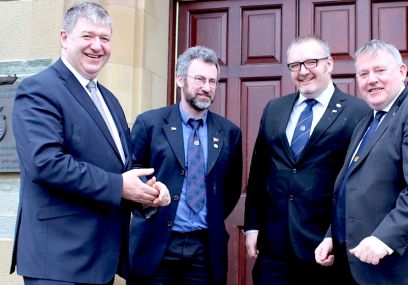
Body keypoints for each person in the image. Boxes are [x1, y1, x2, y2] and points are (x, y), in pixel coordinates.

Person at [10, 2, 170, 285]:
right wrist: (119, 185)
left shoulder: (110, 100)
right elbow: (46, 164)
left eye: (105, 38)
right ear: (64, 37)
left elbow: (121, 166)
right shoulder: (38, 90)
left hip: (100, 262)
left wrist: (147, 193)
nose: (97, 46)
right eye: (87, 36)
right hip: (58, 263)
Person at [315, 39, 408, 285]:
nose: (371, 79)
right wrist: (333, 235)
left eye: (379, 70)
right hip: (358, 266)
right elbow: (351, 187)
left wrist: (384, 238)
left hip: (403, 270)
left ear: (401, 72)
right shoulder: (365, 123)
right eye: (363, 73)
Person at [243, 34, 370, 284]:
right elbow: (259, 172)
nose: (303, 72)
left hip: (325, 248)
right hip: (274, 248)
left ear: (329, 64)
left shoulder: (358, 112)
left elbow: (358, 184)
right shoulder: (274, 109)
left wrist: (336, 234)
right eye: (295, 65)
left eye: (311, 62)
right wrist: (252, 226)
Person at [127, 46, 243, 285]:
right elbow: (131, 174)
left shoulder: (230, 132)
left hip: (204, 249)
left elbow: (230, 190)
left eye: (213, 81)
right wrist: (150, 194)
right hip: (156, 243)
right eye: (200, 79)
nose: (207, 87)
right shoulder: (149, 124)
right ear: (180, 79)